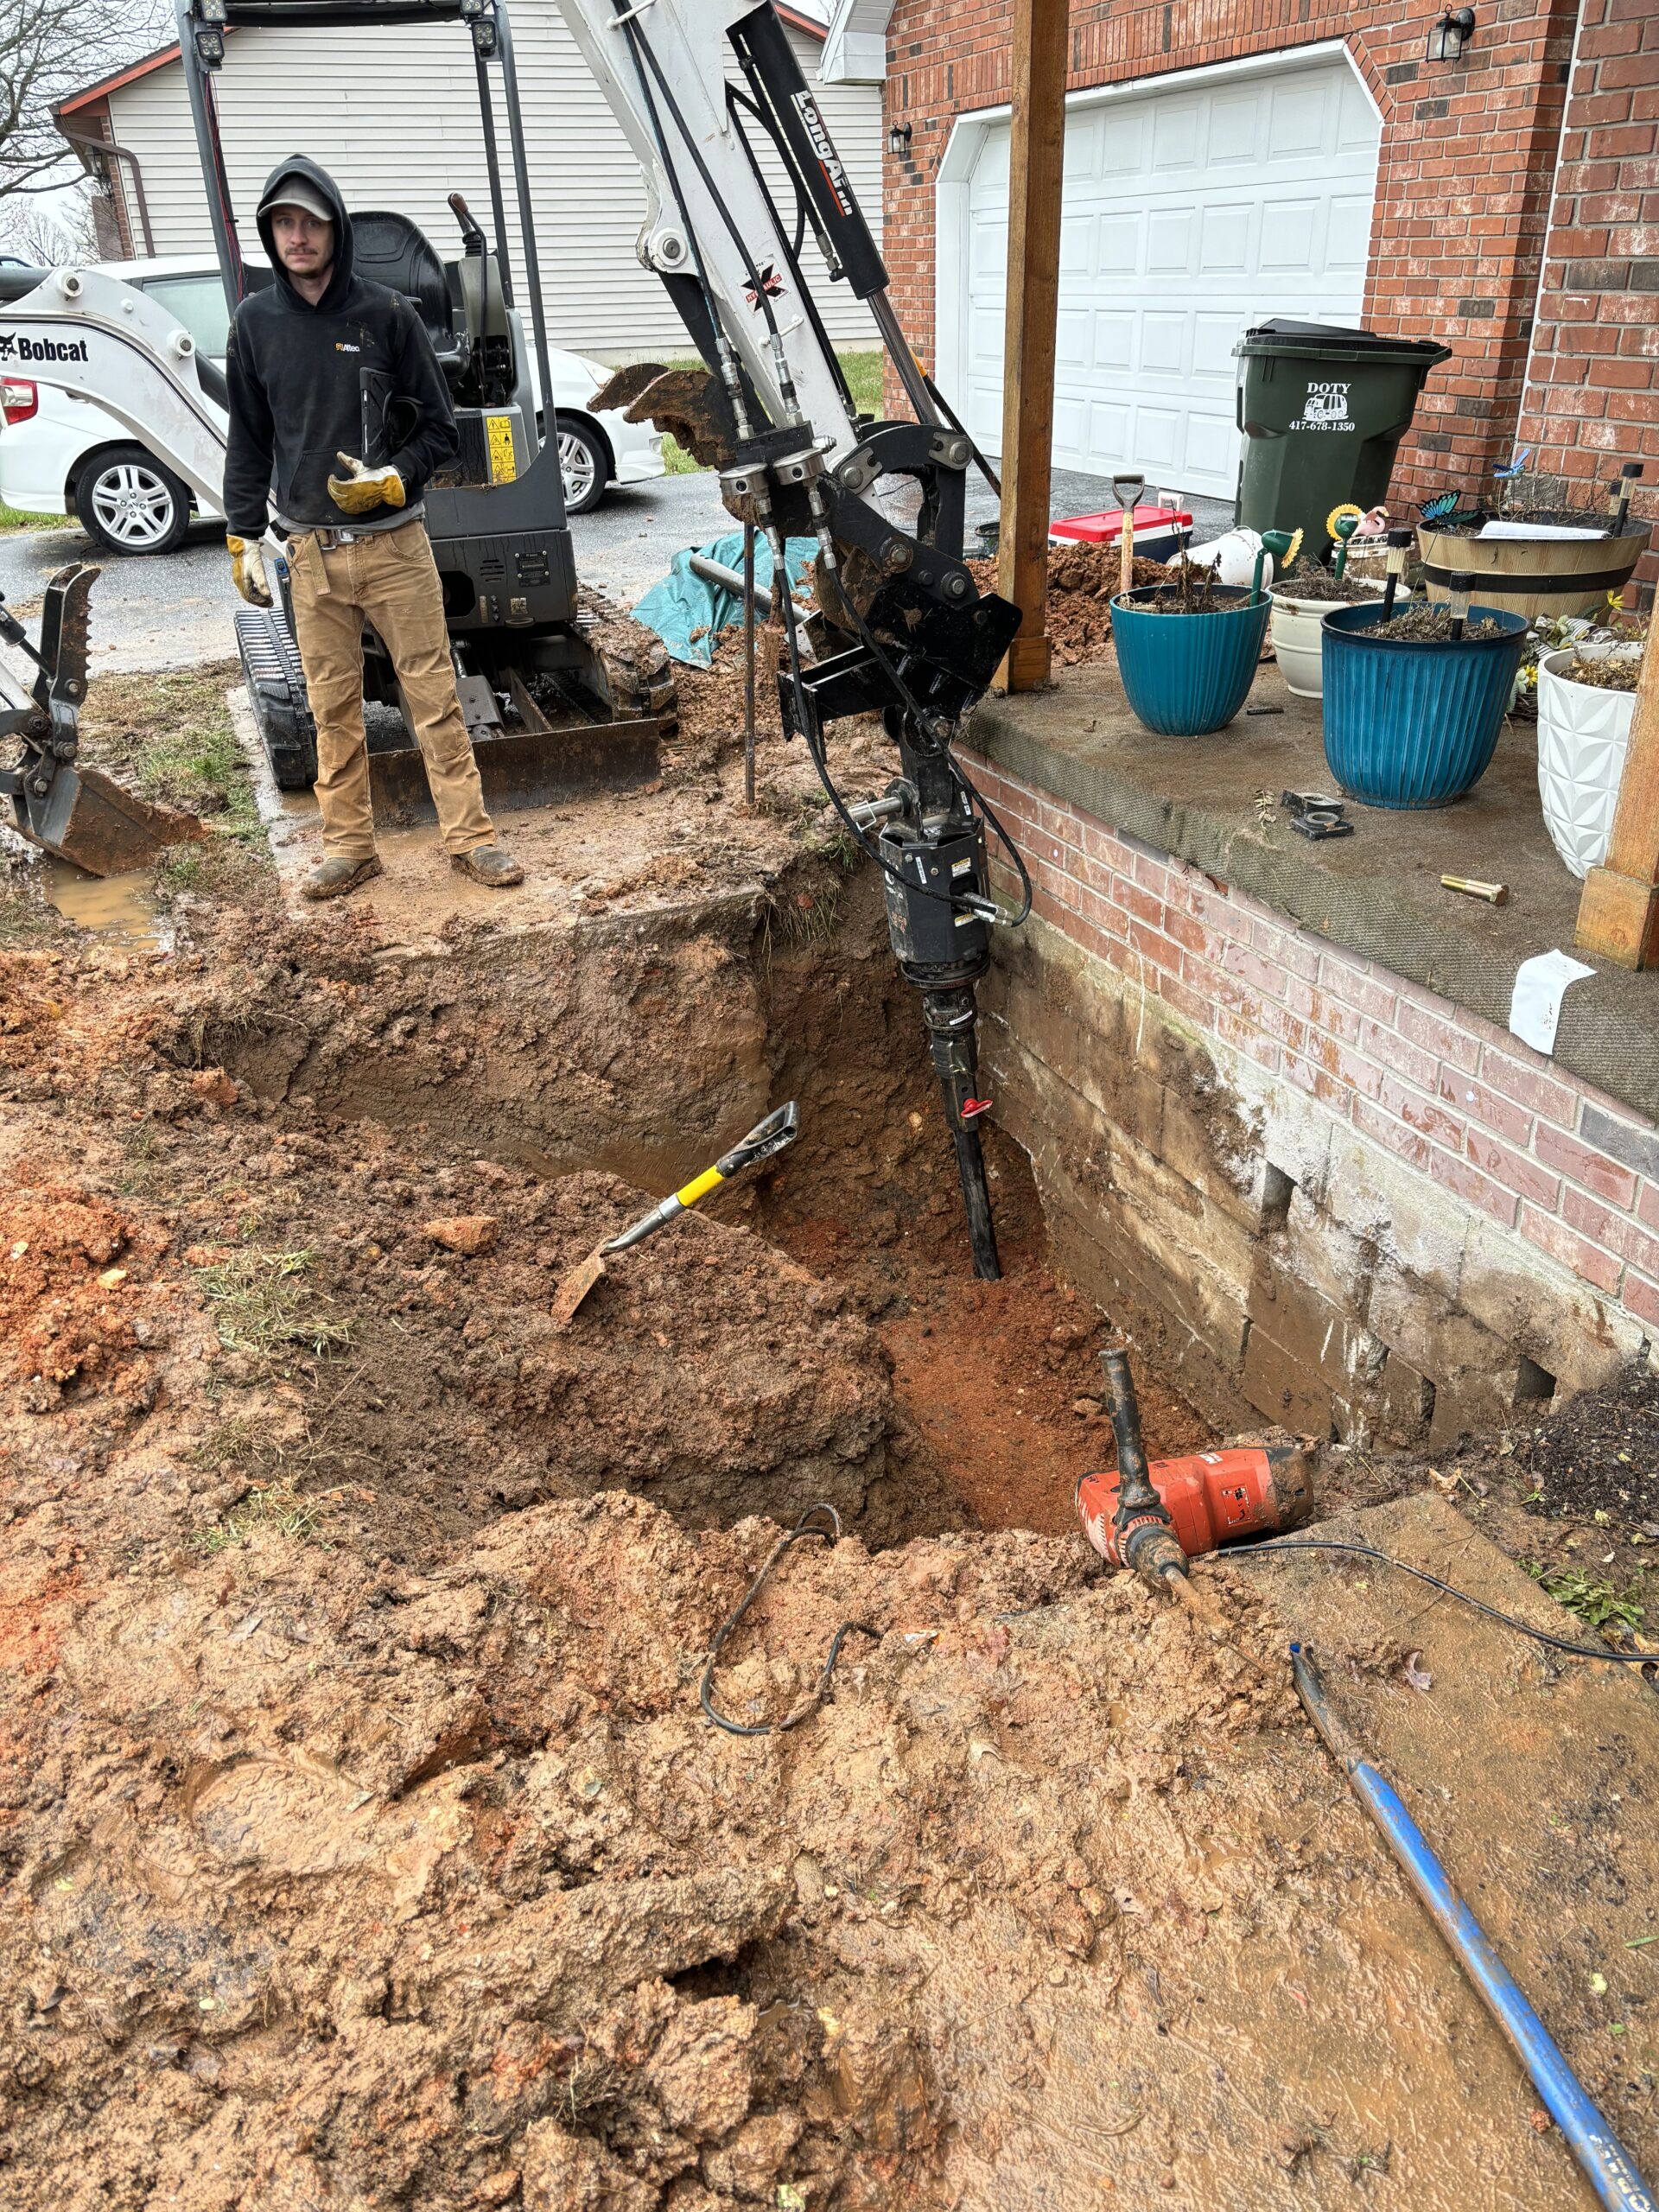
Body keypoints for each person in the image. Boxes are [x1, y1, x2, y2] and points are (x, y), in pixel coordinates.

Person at [222, 156, 522, 901]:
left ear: (336, 228)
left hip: (395, 548)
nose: (298, 237)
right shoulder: (254, 323)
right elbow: (250, 437)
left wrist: (396, 479)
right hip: (311, 557)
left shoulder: (388, 314)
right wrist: (239, 530)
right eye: (284, 223)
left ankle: (471, 838)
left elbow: (441, 433)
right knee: (333, 709)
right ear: (271, 233)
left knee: (434, 699)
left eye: (310, 222)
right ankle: (350, 848)